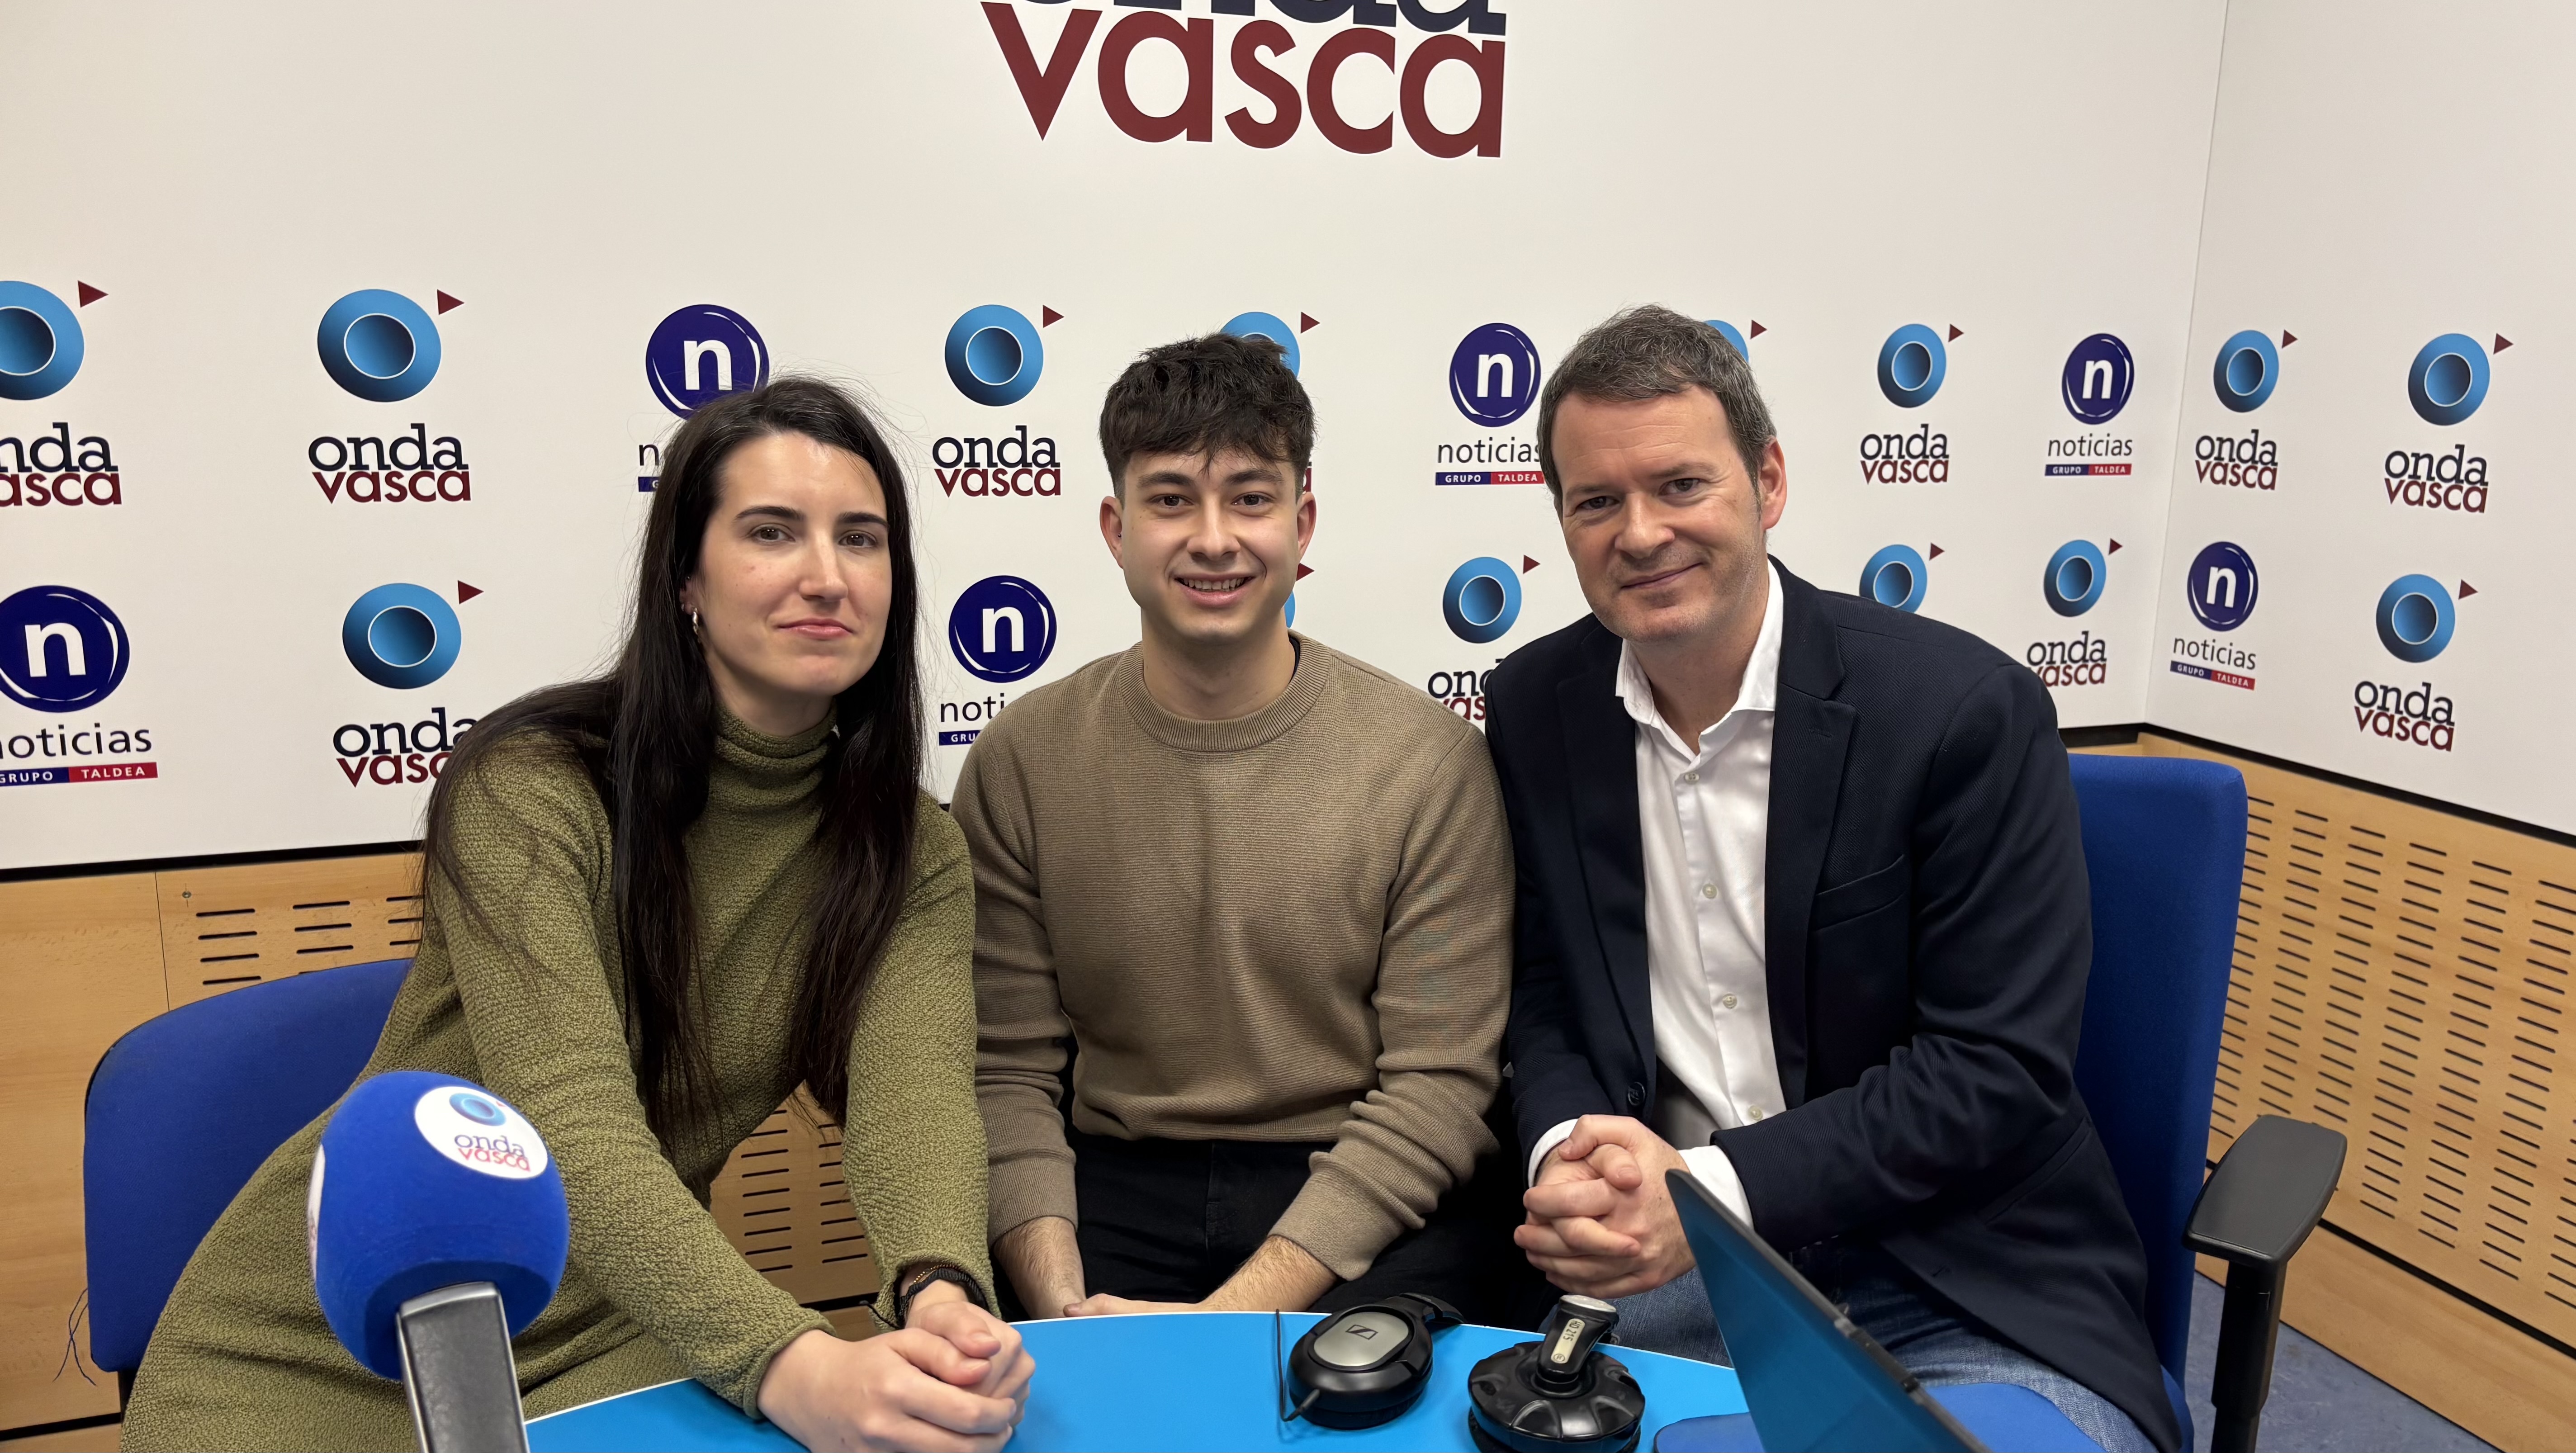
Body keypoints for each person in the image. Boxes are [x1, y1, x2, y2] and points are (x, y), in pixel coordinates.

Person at [124, 379, 1032, 1453]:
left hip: (624, 1326)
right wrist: (788, 1359)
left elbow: (913, 1100)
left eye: (863, 539)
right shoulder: (532, 785)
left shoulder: (908, 846)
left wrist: (939, 1290)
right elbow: (570, 1120)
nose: (826, 576)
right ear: (688, 578)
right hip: (337, 1344)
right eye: (772, 532)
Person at [1483, 306, 2174, 1453]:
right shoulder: (1535, 708)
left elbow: (1993, 1068)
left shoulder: (1956, 712)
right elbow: (1551, 985)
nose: (1641, 532)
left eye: (1682, 486)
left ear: (1769, 481)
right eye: (1595, 501)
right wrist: (1567, 1149)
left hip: (1964, 1275)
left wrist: (1710, 1188)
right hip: (1679, 1278)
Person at [957, 332, 1538, 1325]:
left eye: (1252, 498)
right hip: (1110, 1179)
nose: (1214, 537)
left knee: (1377, 1384)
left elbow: (1436, 1089)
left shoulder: (1427, 760)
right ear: (1116, 525)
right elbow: (1005, 1072)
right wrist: (1065, 1310)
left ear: (1302, 521)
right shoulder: (1021, 758)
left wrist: (1229, 1324)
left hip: (1362, 1183)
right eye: (1172, 498)